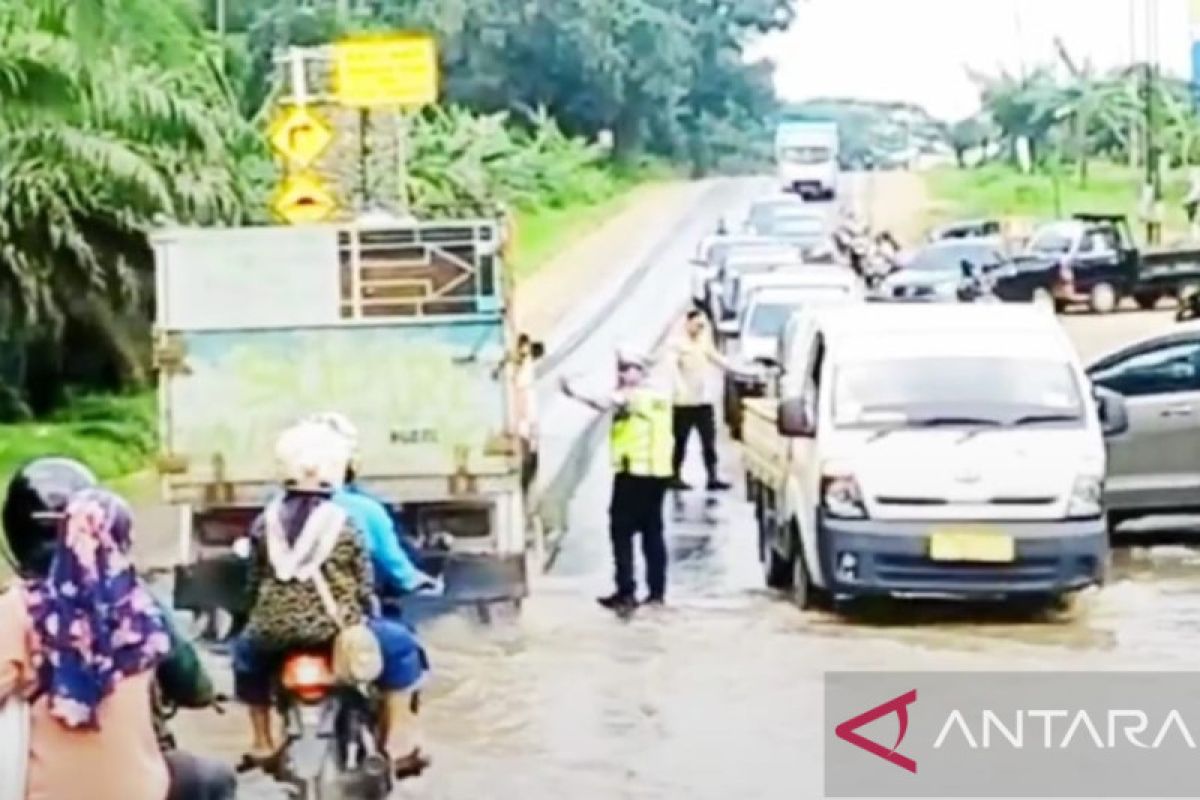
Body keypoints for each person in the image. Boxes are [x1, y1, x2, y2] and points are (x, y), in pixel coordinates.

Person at [0, 459, 235, 800]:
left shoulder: (18, 609)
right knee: (211, 778)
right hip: (142, 792)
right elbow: (190, 681)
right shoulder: (137, 605)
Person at [232, 421, 429, 779]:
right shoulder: (348, 519)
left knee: (245, 657)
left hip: (272, 632)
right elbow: (363, 580)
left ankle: (261, 739)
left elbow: (254, 580)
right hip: (337, 633)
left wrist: (259, 616)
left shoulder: (265, 520)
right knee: (402, 648)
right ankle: (397, 742)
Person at [561, 347, 674, 613]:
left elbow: (603, 402)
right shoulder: (661, 396)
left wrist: (571, 391)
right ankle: (656, 594)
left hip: (633, 473)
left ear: (640, 371)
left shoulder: (635, 397)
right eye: (620, 369)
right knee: (653, 533)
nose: (622, 374)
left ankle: (626, 591)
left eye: (627, 369)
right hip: (657, 475)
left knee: (621, 531)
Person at [668, 310, 733, 492]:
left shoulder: (703, 342)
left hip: (703, 401)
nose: (699, 329)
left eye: (702, 326)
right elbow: (672, 369)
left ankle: (712, 476)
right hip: (684, 403)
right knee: (680, 441)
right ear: (688, 324)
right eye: (697, 325)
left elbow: (714, 357)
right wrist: (679, 387)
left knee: (709, 442)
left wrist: (732, 367)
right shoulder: (678, 345)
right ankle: (674, 475)